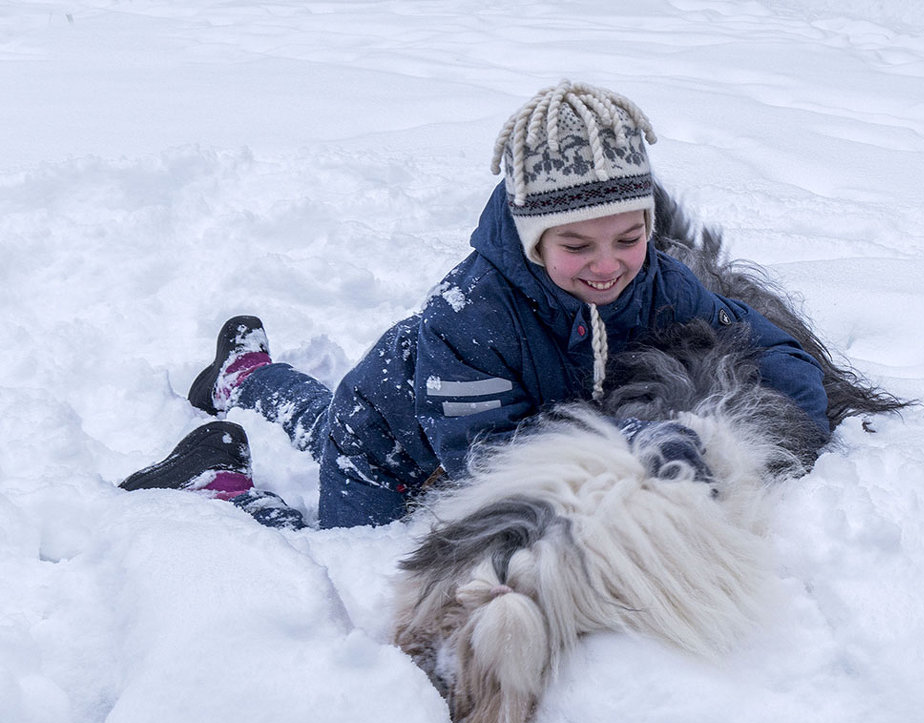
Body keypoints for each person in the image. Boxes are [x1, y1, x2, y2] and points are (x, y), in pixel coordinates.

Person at [121, 80, 830, 529]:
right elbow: (486, 459)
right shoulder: (471, 315)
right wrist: (626, 447)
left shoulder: (660, 282)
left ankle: (240, 378)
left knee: (318, 414)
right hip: (387, 440)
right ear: (529, 239)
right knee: (339, 545)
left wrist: (763, 423)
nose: (608, 265)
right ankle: (220, 481)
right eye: (576, 245)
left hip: (437, 409)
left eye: (629, 236)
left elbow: (770, 350)